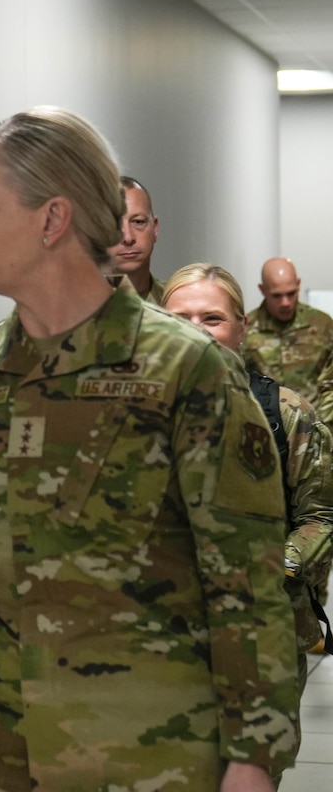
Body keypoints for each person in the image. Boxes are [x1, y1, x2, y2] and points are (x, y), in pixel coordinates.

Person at [0, 107, 299, 792]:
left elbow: (244, 580)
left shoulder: (185, 371)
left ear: (52, 219)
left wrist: (254, 756)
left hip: (147, 754)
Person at [162, 262, 333, 786]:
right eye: (180, 316)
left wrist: (271, 567)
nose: (195, 329)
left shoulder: (286, 414)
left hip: (263, 635)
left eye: (212, 317)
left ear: (241, 326)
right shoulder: (124, 416)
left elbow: (320, 515)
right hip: (154, 640)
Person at [244, 256, 333, 424]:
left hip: (316, 427)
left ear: (298, 284)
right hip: (267, 429)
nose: (285, 303)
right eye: (277, 296)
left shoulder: (322, 324)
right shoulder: (246, 329)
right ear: (262, 290)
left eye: (291, 294)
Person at [106, 175, 164, 302]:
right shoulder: (70, 311)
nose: (128, 238)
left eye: (138, 222)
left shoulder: (178, 305)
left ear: (155, 228)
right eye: (114, 225)